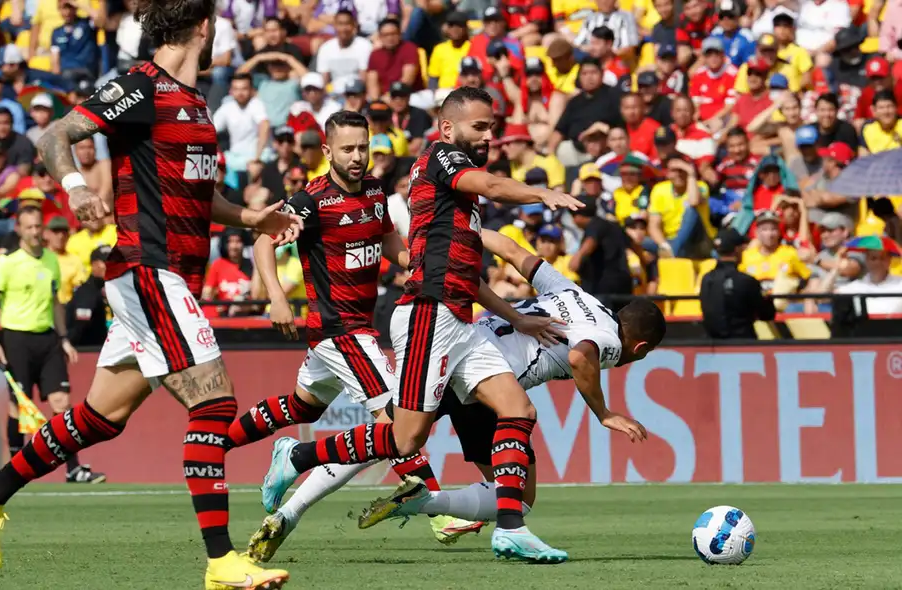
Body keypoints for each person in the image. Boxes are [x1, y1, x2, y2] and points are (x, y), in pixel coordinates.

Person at [0, 2, 302, 588]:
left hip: (170, 277)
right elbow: (56, 134)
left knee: (101, 416)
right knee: (214, 403)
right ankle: (221, 561)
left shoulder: (195, 104)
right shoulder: (142, 85)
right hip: (149, 269)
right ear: (202, 27)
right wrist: (73, 187)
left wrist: (250, 217)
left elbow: (196, 194)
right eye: (219, 24)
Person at [259, 86, 583, 563]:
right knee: (404, 437)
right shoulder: (442, 158)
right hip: (428, 315)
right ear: (448, 128)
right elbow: (492, 186)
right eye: (479, 126)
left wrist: (515, 316)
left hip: (459, 318)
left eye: (491, 127)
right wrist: (541, 192)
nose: (488, 135)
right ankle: (297, 457)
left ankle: (511, 529)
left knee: (519, 411)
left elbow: (464, 271)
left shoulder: (453, 199)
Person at [247, 229, 661, 563]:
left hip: (470, 352)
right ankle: (313, 466)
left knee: (398, 438)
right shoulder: (609, 340)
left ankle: (305, 499)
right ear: (639, 349)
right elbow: (580, 356)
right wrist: (603, 411)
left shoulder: (575, 294)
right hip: (482, 372)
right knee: (487, 475)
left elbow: (512, 249)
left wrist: (466, 235)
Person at [241, 110, 481, 547]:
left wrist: (414, 264)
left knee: (303, 407)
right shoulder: (310, 201)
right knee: (395, 417)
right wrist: (276, 296)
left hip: (355, 327)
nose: (357, 157)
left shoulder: (375, 192)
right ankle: (437, 511)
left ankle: (245, 449)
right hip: (339, 329)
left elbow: (387, 238)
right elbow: (262, 239)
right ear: (328, 151)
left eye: (363, 147)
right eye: (348, 149)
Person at [0, 206, 92, 477]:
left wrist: (63, 338)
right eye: (28, 227)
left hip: (47, 339)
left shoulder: (51, 260)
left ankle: (73, 469)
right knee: (19, 405)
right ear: (19, 229)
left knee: (62, 403)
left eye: (37, 227)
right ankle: (14, 472)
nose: (34, 232)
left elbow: (55, 304)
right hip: (16, 338)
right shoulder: (7, 263)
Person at [700, 228, 777, 339]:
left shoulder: (706, 279)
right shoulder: (746, 281)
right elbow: (767, 314)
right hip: (742, 346)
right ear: (737, 250)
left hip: (713, 346)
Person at [65, 244, 112, 347]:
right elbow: (79, 329)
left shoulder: (113, 289)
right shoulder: (86, 293)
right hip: (88, 352)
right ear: (94, 265)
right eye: (106, 262)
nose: (111, 265)